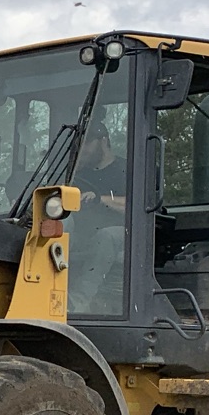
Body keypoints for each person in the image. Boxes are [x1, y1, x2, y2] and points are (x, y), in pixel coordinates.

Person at [67, 117, 127, 316]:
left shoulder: (127, 170)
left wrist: (100, 199)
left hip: (125, 236)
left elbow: (136, 206)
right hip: (85, 233)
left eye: (87, 144)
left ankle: (78, 300)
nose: (82, 150)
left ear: (102, 141)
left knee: (106, 237)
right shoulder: (80, 174)